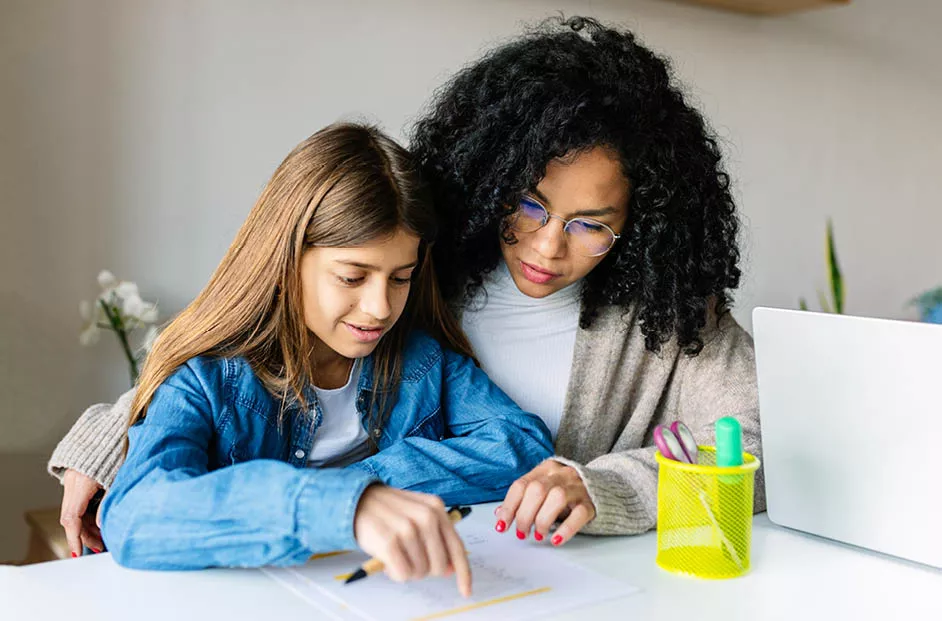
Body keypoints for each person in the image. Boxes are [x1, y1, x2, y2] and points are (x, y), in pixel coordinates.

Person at [50, 15, 762, 557]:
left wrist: (605, 485)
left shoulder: (668, 315)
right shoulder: (434, 255)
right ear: (491, 178)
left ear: (640, 223)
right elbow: (236, 348)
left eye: (591, 224)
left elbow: (760, 450)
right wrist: (116, 433)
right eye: (529, 204)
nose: (547, 246)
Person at [95, 123, 553, 597]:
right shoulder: (208, 379)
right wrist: (341, 506)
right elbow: (135, 514)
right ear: (286, 260)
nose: (380, 308)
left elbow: (521, 446)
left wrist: (372, 484)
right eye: (353, 278)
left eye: (401, 278)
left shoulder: (422, 360)